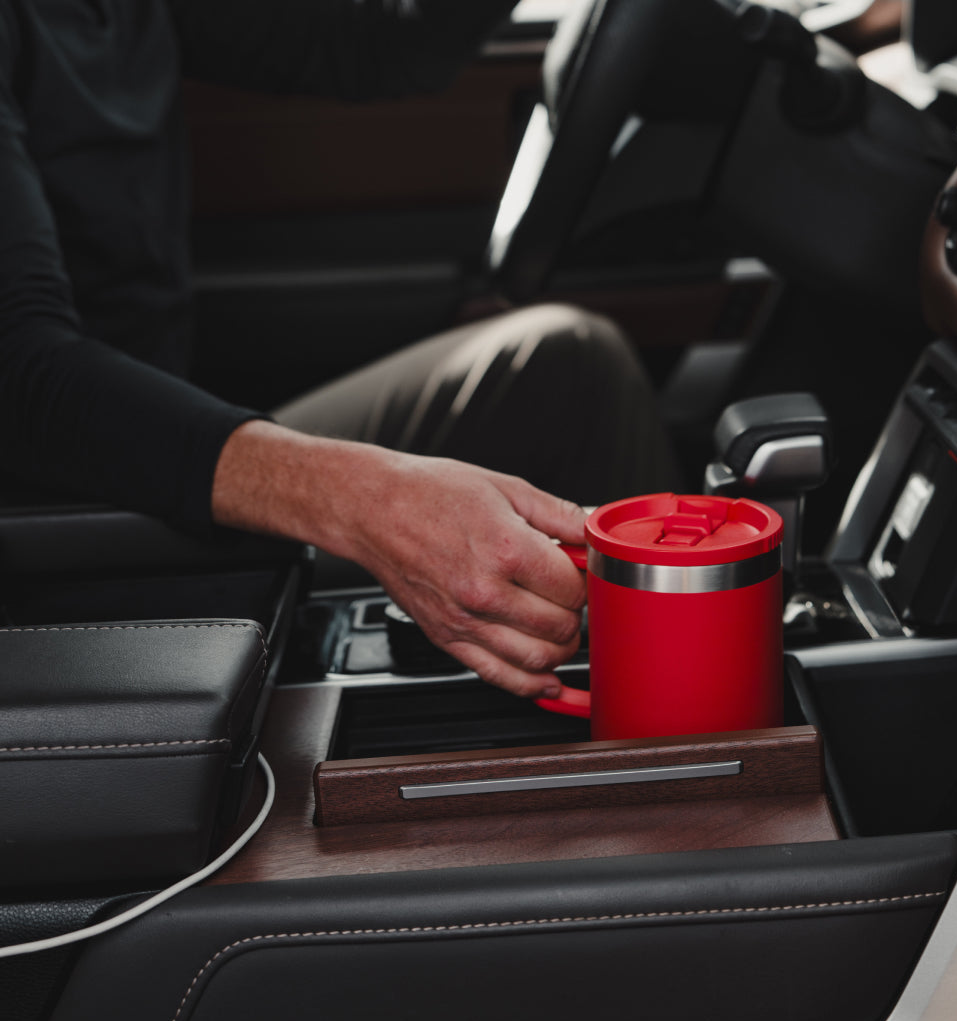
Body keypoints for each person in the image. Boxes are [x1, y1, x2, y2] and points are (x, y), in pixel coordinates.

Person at [0, 0, 679, 699]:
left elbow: (390, 46)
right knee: (570, 371)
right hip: (79, 521)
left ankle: (673, 695)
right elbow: (17, 374)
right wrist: (367, 502)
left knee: (565, 363)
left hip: (157, 452)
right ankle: (677, 711)